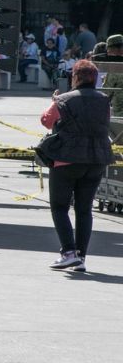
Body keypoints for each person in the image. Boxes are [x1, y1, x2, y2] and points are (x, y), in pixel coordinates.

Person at [42, 60, 113, 271]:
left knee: (60, 206)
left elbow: (46, 120)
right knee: (84, 209)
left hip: (67, 158)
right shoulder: (104, 100)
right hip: (96, 159)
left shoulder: (63, 99)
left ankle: (68, 252)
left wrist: (54, 101)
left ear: (76, 77)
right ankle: (81, 256)